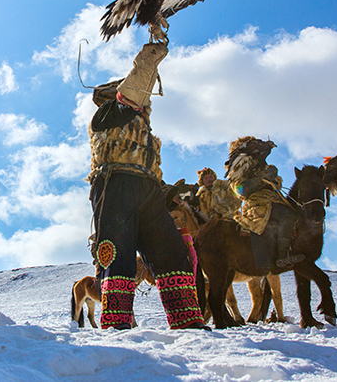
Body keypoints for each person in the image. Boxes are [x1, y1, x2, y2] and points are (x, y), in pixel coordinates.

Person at [88, 43, 205, 330]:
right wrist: (148, 61)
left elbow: (149, 168)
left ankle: (186, 320)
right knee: (118, 254)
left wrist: (167, 192)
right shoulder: (106, 116)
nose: (146, 104)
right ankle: (117, 322)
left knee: (173, 251)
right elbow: (130, 96)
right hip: (114, 185)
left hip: (147, 188)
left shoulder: (145, 131)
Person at [225, 137, 304, 268]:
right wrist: (261, 179)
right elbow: (241, 190)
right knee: (289, 215)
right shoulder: (240, 166)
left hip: (273, 200)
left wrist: (274, 179)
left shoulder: (262, 165)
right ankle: (283, 256)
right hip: (257, 205)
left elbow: (276, 187)